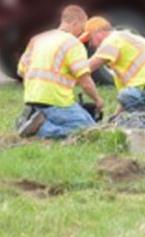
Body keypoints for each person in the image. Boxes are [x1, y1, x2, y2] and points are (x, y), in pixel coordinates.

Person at [16, 5, 104, 138]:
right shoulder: (73, 44)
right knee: (90, 130)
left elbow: (21, 71)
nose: (82, 33)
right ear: (75, 23)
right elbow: (85, 83)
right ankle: (41, 130)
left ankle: (33, 119)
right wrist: (98, 100)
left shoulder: (37, 39)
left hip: (32, 98)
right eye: (82, 28)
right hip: (55, 101)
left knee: (85, 119)